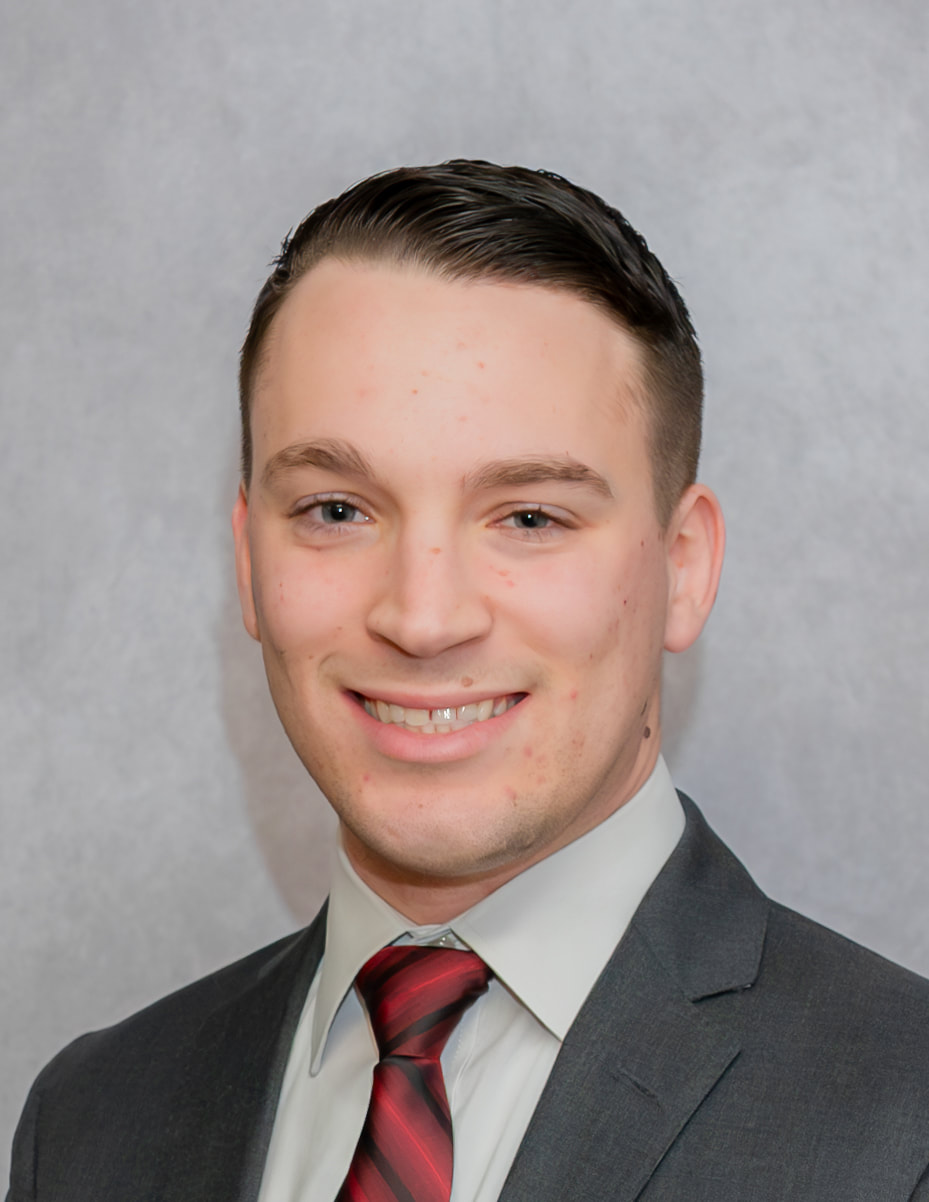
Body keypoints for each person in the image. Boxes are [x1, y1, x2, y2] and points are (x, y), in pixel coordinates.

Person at [8, 160, 929, 1201]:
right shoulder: (88, 1125)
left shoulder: (903, 1119)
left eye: (529, 515)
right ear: (248, 560)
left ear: (682, 567)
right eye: (336, 509)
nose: (422, 615)